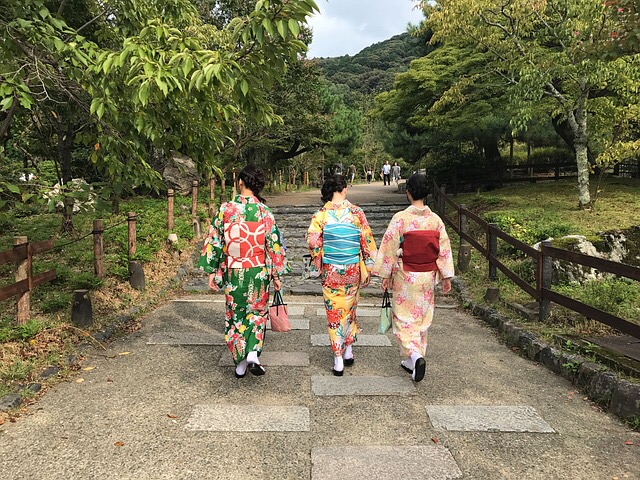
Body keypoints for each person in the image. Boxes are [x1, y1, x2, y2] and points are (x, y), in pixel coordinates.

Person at [198, 165, 290, 378]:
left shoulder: (226, 209)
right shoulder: (264, 212)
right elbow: (273, 245)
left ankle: (240, 364)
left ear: (240, 182)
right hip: (257, 272)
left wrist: (212, 271)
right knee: (257, 313)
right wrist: (276, 275)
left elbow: (215, 240)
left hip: (234, 271)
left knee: (236, 315)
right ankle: (253, 354)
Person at [372, 173, 454, 382]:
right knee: (421, 317)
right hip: (427, 276)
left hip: (406, 275)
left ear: (408, 193)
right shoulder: (435, 220)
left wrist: (385, 274)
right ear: (426, 193)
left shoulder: (401, 218)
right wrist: (446, 276)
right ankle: (412, 360)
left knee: (403, 318)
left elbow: (390, 247)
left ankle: (415, 356)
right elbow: (444, 250)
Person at [307, 175, 377, 376]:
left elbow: (313, 242)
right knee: (350, 309)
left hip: (331, 270)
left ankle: (338, 358)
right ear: (344, 189)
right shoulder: (356, 212)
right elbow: (366, 240)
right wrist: (368, 266)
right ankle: (348, 350)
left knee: (334, 313)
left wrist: (320, 259)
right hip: (352, 269)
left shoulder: (321, 214)